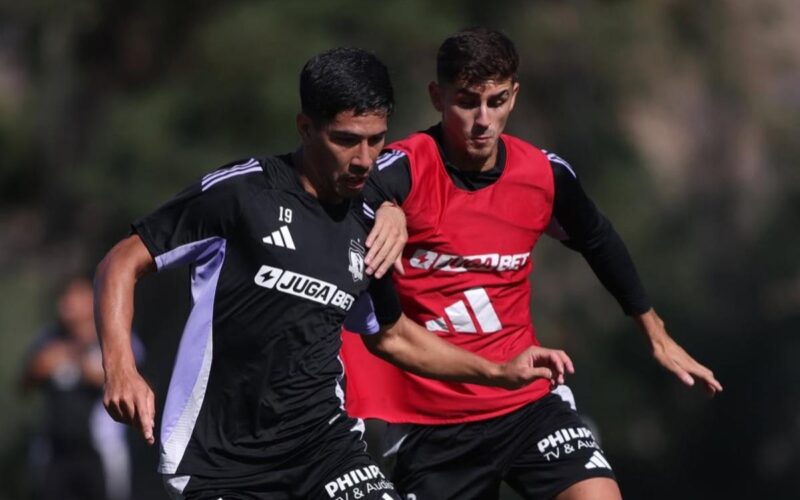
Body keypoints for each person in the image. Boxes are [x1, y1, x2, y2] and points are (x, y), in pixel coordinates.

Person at [93, 47, 572, 500]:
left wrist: (496, 371)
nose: (364, 158)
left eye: (376, 139)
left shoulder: (370, 225)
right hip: (221, 462)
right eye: (346, 140)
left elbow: (392, 336)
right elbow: (121, 261)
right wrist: (120, 366)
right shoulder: (242, 195)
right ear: (306, 128)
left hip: (326, 448)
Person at [340, 27, 723, 500]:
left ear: (514, 96)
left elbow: (599, 239)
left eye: (497, 101)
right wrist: (386, 207)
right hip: (431, 421)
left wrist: (654, 331)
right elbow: (346, 200)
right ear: (437, 97)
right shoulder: (401, 169)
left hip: (527, 401)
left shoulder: (543, 174)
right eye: (467, 101)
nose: (483, 120)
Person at [21, 277, 135, 500]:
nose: (68, 304)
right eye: (64, 298)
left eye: (75, 297)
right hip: (55, 450)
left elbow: (128, 378)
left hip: (99, 451)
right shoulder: (48, 339)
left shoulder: (112, 338)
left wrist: (81, 361)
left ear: (91, 299)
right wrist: (41, 365)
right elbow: (26, 381)